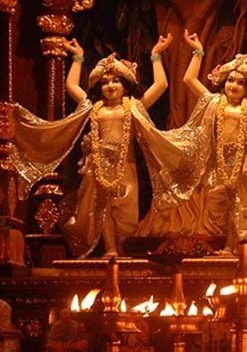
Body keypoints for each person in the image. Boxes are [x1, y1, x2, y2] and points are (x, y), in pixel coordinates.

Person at [11, 35, 172, 256]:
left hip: (126, 164)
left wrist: (156, 55)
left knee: (126, 209)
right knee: (101, 207)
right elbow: (71, 86)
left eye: (115, 81)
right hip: (97, 165)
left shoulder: (135, 107)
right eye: (104, 82)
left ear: (126, 85)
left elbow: (161, 85)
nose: (110, 86)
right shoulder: (94, 107)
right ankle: (111, 248)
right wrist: (77, 58)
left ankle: (123, 249)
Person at [136, 30, 247, 252]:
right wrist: (198, 52)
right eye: (230, 80)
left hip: (244, 164)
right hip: (218, 164)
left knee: (241, 206)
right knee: (218, 206)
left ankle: (234, 249)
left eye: (241, 82)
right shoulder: (214, 102)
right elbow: (189, 80)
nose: (234, 85)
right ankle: (227, 247)